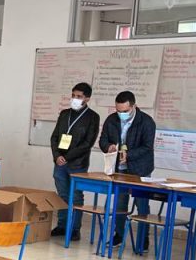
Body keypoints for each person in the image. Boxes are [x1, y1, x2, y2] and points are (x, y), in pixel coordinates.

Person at [99, 90, 156, 247]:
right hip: (119, 169)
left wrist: (129, 154)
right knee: (119, 203)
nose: (121, 114)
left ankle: (143, 239)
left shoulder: (146, 122)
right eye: (118, 111)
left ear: (133, 106)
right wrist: (108, 146)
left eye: (125, 111)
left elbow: (147, 146)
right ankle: (118, 234)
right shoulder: (111, 120)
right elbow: (102, 139)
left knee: (141, 203)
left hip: (140, 170)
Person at [50, 82, 101, 241]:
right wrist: (57, 155)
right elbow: (55, 137)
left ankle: (74, 229)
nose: (75, 99)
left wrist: (68, 157)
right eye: (73, 95)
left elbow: (88, 143)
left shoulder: (92, 117)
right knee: (62, 195)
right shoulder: (65, 114)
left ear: (87, 98)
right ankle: (62, 225)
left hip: (77, 163)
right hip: (59, 162)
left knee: (76, 196)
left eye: (79, 96)